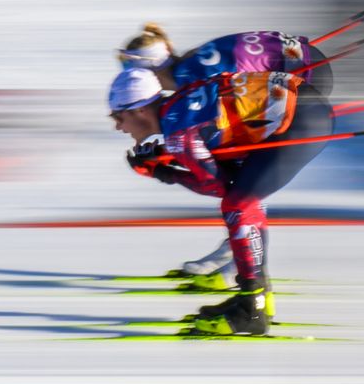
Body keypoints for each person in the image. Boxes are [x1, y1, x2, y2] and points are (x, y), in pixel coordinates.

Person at [109, 27, 336, 336]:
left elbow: (217, 186)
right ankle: (257, 295)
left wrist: (164, 172)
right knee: (244, 196)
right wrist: (169, 161)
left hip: (301, 113)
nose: (117, 126)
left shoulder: (179, 131)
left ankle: (251, 306)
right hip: (298, 97)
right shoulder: (178, 106)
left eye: (118, 116)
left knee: (238, 201)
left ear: (139, 110)